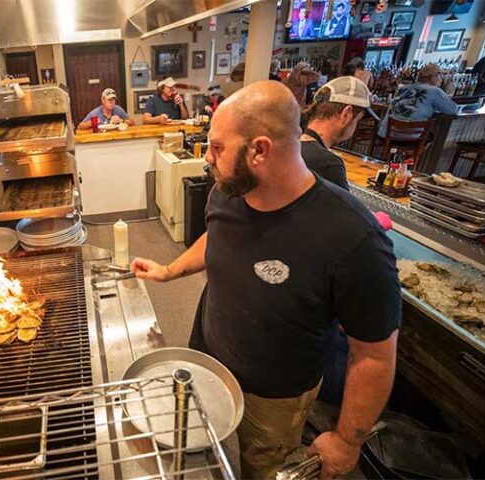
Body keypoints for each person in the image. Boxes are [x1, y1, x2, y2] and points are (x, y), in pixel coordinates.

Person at [131, 81, 400, 480]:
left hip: (274, 396)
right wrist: (170, 271)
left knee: (263, 468)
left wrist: (346, 440)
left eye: (217, 148)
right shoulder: (227, 190)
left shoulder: (353, 239)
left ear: (259, 150)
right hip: (210, 359)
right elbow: (217, 236)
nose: (207, 158)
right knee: (210, 456)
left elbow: (374, 355)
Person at [302, 76, 380, 190]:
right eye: (357, 120)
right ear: (346, 114)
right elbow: (346, 207)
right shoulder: (328, 164)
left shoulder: (289, 146)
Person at [377, 63, 458, 138]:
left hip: (385, 134)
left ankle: (397, 152)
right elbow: (453, 110)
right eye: (441, 76)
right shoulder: (435, 91)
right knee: (431, 136)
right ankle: (410, 153)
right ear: (433, 77)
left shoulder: (402, 88)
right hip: (408, 137)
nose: (442, 79)